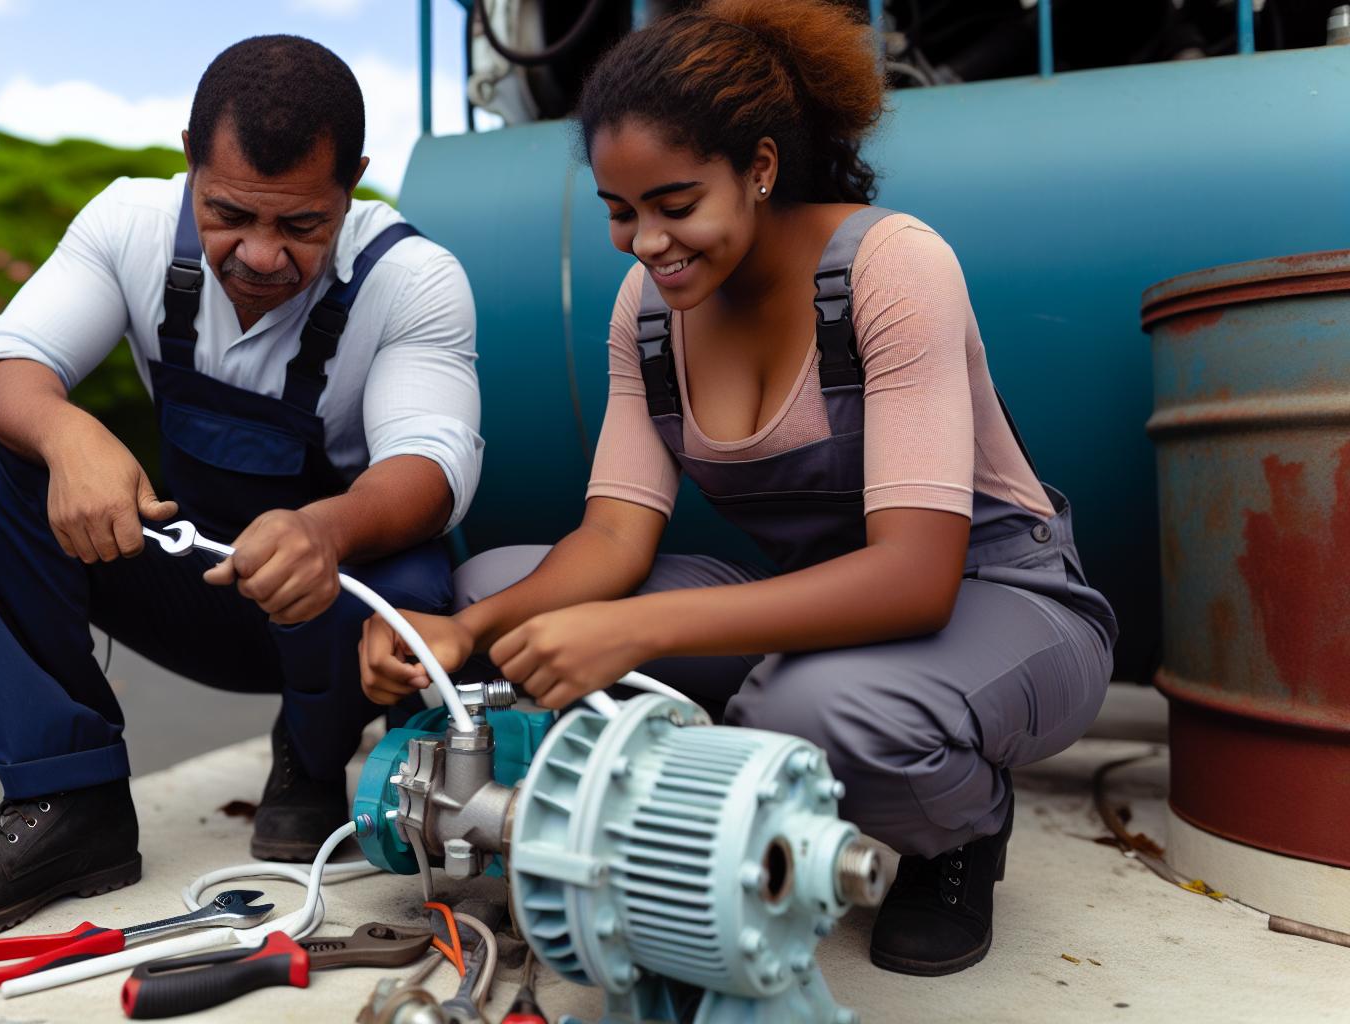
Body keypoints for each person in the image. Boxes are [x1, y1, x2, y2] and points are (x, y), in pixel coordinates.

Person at [359, 0, 1115, 978]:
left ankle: (958, 830)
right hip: (812, 610)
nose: (646, 243)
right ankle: (710, 786)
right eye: (620, 213)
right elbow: (614, 538)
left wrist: (639, 632)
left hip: (997, 602)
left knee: (829, 707)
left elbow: (916, 578)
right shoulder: (648, 310)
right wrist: (467, 630)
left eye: (677, 205)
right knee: (495, 587)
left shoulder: (891, 267)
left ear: (758, 169)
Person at [0, 35, 482, 941]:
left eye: (302, 225)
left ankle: (312, 763)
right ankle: (69, 804)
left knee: (415, 583)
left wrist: (327, 530)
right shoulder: (128, 224)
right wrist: (68, 433)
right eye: (230, 214)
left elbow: (431, 468)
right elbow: (8, 357)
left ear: (352, 181)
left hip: (324, 607)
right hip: (188, 578)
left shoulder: (414, 279)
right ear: (190, 158)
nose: (263, 255)